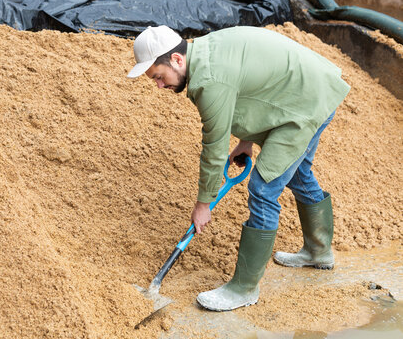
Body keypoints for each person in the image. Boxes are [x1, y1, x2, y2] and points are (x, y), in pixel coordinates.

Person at [126, 25, 350, 311]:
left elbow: (214, 148)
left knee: (263, 187)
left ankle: (244, 289)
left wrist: (203, 204)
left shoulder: (209, 80)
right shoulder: (205, 53)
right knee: (299, 173)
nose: (159, 86)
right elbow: (255, 88)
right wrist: (246, 140)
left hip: (307, 102)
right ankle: (319, 252)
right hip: (308, 89)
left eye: (158, 76)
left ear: (177, 60)